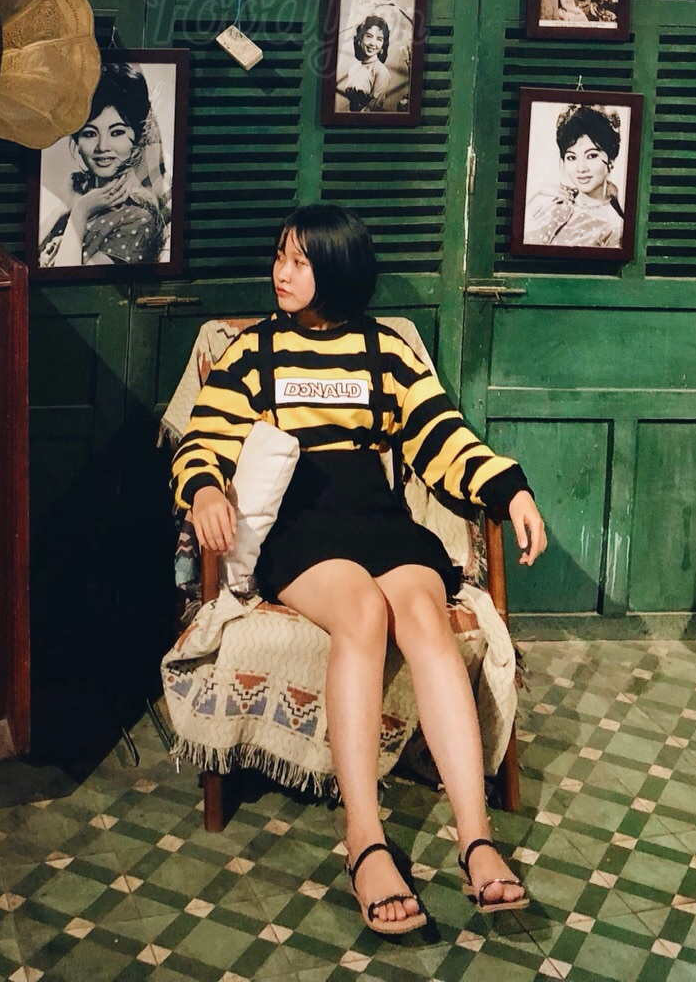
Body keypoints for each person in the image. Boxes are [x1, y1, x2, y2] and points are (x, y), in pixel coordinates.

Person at [173, 206, 546, 934]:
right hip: (301, 524)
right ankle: (365, 841)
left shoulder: (387, 350)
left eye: (300, 261)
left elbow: (442, 436)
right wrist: (207, 488)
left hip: (377, 515)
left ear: (337, 268)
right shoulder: (254, 351)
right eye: (279, 257)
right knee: (362, 610)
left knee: (425, 618)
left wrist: (510, 490)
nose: (281, 273)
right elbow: (203, 438)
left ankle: (476, 840)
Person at [39, 61, 171, 269]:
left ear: (136, 138)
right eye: (90, 133)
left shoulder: (138, 220)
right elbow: (25, 261)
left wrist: (81, 211)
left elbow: (71, 283)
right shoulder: (81, 197)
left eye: (117, 132)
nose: (102, 146)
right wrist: (65, 205)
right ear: (76, 141)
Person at [520, 104, 625, 248]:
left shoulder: (614, 229)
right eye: (571, 157)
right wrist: (536, 189)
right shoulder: (552, 202)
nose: (581, 168)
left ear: (611, 159)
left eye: (591, 156)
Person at [337, 13, 398, 113]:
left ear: (383, 45)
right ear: (360, 39)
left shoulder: (381, 71)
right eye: (369, 36)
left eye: (379, 39)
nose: (373, 43)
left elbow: (373, 106)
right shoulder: (354, 68)